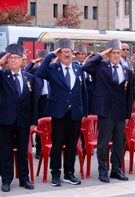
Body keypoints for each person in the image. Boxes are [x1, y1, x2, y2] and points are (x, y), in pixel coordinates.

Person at [0, 44, 37, 192]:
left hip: (24, 119)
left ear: (22, 60)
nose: (13, 60)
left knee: (23, 151)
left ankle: (24, 178)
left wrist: (34, 121)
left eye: (16, 58)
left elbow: (33, 100)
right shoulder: (2, 75)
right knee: (6, 151)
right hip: (6, 119)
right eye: (10, 58)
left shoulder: (30, 77)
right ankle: (6, 180)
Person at [36, 38, 88, 187]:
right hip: (59, 113)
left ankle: (69, 173)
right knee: (57, 145)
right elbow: (39, 72)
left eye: (69, 51)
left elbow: (83, 90)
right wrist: (50, 56)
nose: (66, 54)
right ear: (58, 54)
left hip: (75, 112)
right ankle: (56, 174)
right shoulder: (53, 68)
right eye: (63, 51)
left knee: (72, 145)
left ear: (73, 53)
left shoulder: (78, 68)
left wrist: (85, 110)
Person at [82, 39, 132, 183]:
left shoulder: (126, 71)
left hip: (120, 112)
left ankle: (116, 169)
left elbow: (129, 94)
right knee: (103, 143)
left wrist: (128, 114)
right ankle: (103, 170)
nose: (116, 55)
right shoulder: (101, 66)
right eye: (113, 53)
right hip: (105, 110)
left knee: (119, 143)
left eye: (118, 52)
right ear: (109, 55)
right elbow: (86, 66)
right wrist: (101, 54)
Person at [26, 49, 51, 159]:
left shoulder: (52, 69)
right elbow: (25, 72)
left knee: (49, 126)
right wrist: (32, 63)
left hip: (50, 99)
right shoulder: (36, 70)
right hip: (39, 100)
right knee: (40, 125)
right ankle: (39, 150)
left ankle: (48, 148)